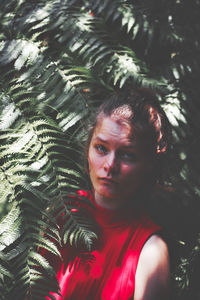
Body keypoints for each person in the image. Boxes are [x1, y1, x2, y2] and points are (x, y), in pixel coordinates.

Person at [44, 89, 171, 300]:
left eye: (127, 155)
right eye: (101, 148)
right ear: (88, 149)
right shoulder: (61, 211)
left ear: (149, 165)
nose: (110, 165)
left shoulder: (150, 252)